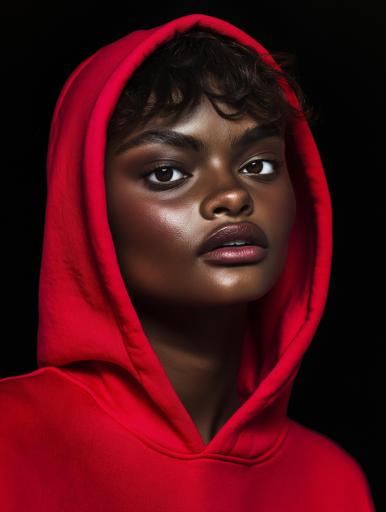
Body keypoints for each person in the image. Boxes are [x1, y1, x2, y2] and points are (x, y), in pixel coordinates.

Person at [0, 13, 375, 511]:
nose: (231, 195)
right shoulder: (11, 442)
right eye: (166, 172)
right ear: (88, 205)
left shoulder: (334, 483)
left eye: (258, 165)